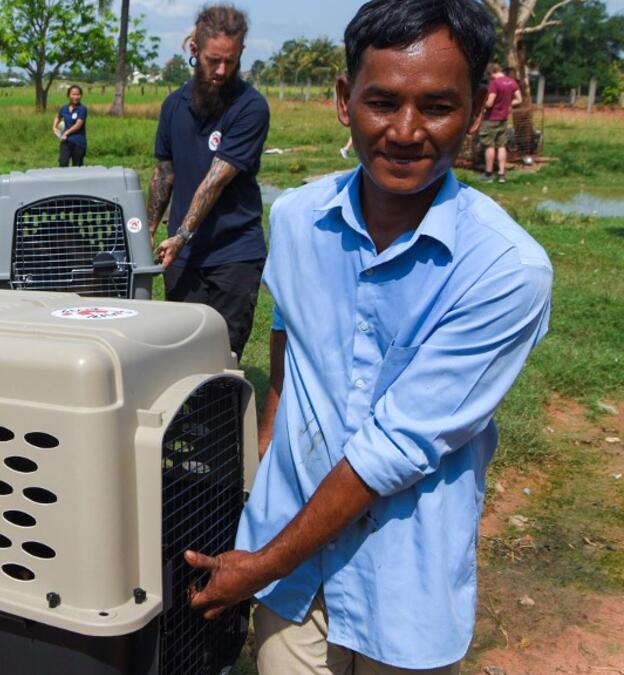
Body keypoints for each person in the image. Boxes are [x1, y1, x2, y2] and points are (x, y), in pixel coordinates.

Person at [182, 1, 552, 672]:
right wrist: (268, 456)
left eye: (438, 106)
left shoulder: (504, 270)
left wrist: (260, 561)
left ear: (474, 110)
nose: (406, 131)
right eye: (382, 102)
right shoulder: (297, 220)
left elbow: (396, 447)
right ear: (344, 100)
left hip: (401, 583)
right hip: (289, 587)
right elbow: (288, 339)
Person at [147, 4, 270, 361]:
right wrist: (146, 231)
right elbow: (164, 173)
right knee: (182, 356)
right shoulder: (173, 105)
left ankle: (221, 418)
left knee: (221, 359)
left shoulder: (250, 107)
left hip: (233, 254)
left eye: (230, 62)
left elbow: (214, 181)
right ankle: (186, 421)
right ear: (194, 49)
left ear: (241, 53)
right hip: (182, 258)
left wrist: (182, 234)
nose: (221, 70)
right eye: (213, 60)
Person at [481, 62, 522, 182]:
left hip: (491, 119)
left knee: (489, 146)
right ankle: (501, 174)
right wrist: (508, 103)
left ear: (491, 73)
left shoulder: (494, 83)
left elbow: (490, 103)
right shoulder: (511, 82)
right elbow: (519, 99)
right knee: (501, 146)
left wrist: (481, 104)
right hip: (503, 118)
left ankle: (488, 174)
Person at [53, 84, 88, 166]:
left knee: (77, 167)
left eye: (78, 94)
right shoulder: (64, 108)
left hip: (78, 142)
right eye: (73, 94)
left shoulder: (82, 109)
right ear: (69, 95)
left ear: (81, 96)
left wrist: (66, 133)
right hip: (65, 141)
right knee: (63, 163)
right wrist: (54, 127)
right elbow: (58, 117)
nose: (76, 97)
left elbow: (78, 124)